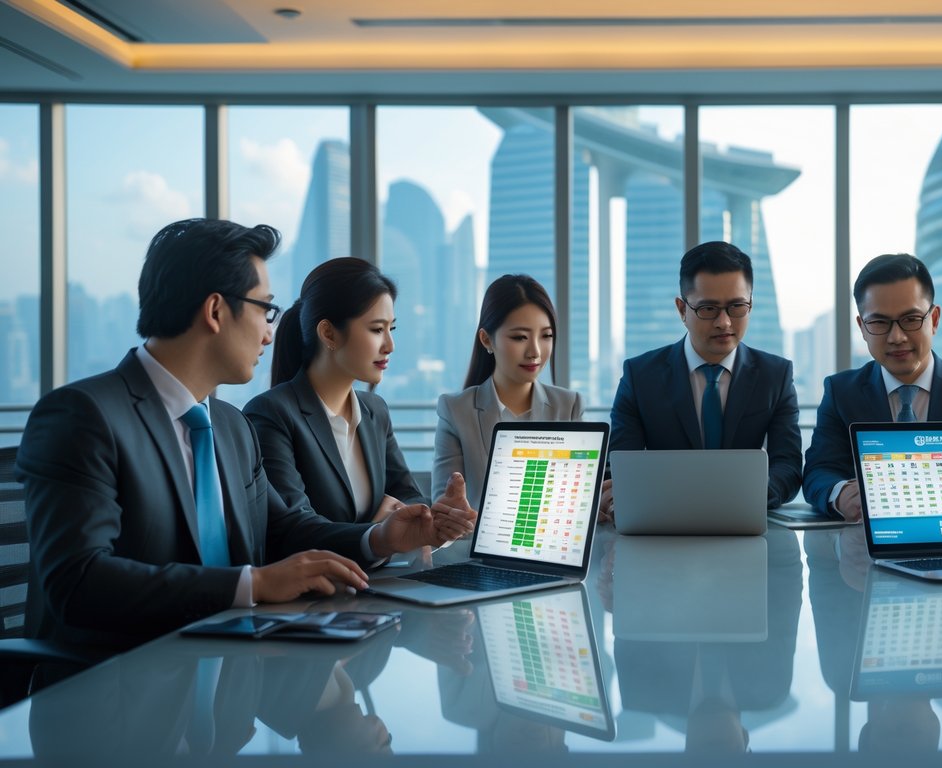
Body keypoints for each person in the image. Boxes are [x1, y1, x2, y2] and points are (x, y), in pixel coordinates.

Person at [16, 218, 470, 652]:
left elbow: (285, 530)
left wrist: (382, 539)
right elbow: (78, 581)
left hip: (231, 694)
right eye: (265, 309)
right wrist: (253, 584)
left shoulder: (231, 427)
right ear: (216, 311)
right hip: (118, 698)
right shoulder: (83, 416)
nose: (272, 333)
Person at [244, 257, 475, 538]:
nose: (390, 345)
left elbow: (407, 495)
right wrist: (376, 533)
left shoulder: (374, 410)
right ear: (328, 333)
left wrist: (434, 519)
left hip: (386, 578)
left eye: (392, 329)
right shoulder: (272, 413)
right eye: (377, 329)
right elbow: (295, 529)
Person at [802, 254, 942, 521]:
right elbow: (819, 471)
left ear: (934, 319)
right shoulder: (841, 391)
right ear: (862, 328)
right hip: (869, 547)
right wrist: (841, 494)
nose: (896, 337)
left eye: (911, 319)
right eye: (878, 323)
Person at [603, 241, 801, 520]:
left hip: (744, 524)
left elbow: (788, 466)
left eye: (737, 307)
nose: (724, 322)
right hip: (663, 526)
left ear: (751, 305)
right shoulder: (640, 376)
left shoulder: (775, 375)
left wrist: (750, 495)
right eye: (708, 309)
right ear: (682, 309)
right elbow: (620, 464)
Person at [432, 274, 583, 510]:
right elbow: (445, 506)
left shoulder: (569, 405)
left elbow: (575, 501)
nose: (535, 351)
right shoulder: (456, 410)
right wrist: (453, 517)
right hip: (474, 544)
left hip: (550, 542)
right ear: (486, 340)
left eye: (546, 336)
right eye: (519, 337)